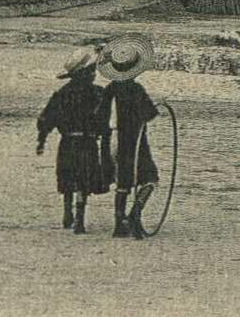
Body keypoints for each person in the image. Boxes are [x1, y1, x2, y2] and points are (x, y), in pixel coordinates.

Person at [35, 47, 112, 234]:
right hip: (88, 142)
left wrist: (42, 140)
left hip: (68, 142)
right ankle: (79, 217)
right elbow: (105, 120)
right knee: (84, 179)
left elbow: (46, 118)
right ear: (84, 74)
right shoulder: (97, 94)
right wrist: (105, 136)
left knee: (68, 177)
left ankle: (67, 211)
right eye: (91, 71)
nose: (94, 74)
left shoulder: (62, 94)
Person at [99, 38, 163, 239]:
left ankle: (119, 223)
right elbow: (150, 114)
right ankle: (135, 212)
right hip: (133, 140)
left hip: (111, 140)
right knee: (149, 178)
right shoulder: (136, 90)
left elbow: (99, 116)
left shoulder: (109, 90)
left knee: (123, 181)